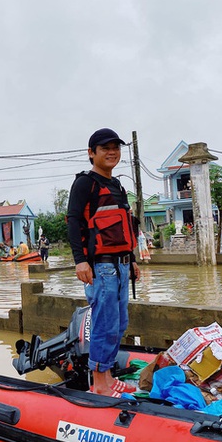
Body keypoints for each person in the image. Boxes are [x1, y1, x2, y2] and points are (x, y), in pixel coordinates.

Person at [67, 128, 140, 397]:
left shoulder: (117, 185)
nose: (112, 152)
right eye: (105, 148)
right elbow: (74, 222)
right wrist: (80, 261)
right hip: (102, 267)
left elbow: (125, 226)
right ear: (91, 153)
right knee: (105, 323)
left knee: (119, 323)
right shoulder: (86, 183)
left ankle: (107, 376)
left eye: (116, 148)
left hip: (121, 265)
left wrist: (131, 260)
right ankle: (99, 384)